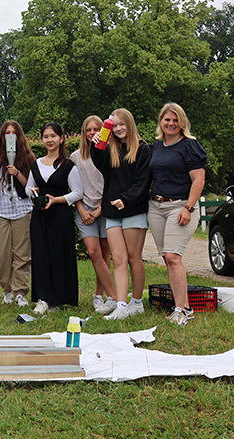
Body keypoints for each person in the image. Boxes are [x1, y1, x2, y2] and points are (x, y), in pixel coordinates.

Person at [90, 108, 152, 320]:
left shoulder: (143, 149)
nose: (118, 129)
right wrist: (97, 144)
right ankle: (122, 305)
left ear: (130, 124)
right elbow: (99, 164)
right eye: (114, 125)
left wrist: (126, 199)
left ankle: (137, 302)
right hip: (112, 211)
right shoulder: (110, 150)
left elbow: (142, 182)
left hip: (133, 209)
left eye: (121, 124)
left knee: (134, 258)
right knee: (118, 259)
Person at [148, 102, 207, 326]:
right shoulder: (156, 147)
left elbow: (199, 179)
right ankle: (184, 306)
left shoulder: (189, 146)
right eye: (167, 119)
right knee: (167, 258)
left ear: (182, 123)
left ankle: (182, 310)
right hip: (157, 206)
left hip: (180, 206)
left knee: (173, 256)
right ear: (161, 122)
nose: (171, 123)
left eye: (175, 120)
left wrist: (188, 208)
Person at [25, 122, 83, 314]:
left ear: (61, 138)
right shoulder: (36, 164)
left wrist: (56, 200)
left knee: (59, 255)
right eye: (46, 136)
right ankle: (42, 299)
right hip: (40, 217)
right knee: (40, 256)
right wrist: (32, 192)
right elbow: (27, 188)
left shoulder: (68, 165)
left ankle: (57, 300)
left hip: (60, 217)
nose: (49, 140)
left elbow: (77, 192)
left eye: (53, 136)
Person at [0, 121, 35, 308]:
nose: (10, 135)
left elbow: (31, 187)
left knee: (22, 255)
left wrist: (17, 173)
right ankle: (7, 290)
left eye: (13, 132)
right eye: (7, 132)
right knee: (2, 254)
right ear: (2, 136)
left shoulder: (27, 156)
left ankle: (20, 292)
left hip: (21, 210)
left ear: (19, 136)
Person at [70, 116, 117, 314]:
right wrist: (81, 209)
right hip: (85, 210)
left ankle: (100, 294)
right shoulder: (75, 157)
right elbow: (72, 187)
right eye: (88, 130)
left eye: (96, 129)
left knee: (105, 253)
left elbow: (114, 184)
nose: (92, 133)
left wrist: (100, 210)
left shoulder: (110, 153)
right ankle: (114, 297)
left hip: (105, 208)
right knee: (93, 252)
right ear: (83, 132)